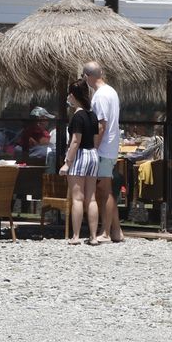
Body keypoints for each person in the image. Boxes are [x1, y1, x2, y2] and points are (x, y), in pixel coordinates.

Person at [85, 61, 125, 243]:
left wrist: (94, 147)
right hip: (110, 146)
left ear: (87, 76)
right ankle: (116, 231)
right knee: (104, 189)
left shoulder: (100, 96)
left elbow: (101, 125)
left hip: (103, 147)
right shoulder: (111, 92)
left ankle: (106, 231)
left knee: (104, 190)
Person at [61, 81, 103, 245]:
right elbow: (95, 138)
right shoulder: (92, 115)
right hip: (93, 154)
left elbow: (75, 141)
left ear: (73, 95)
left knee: (77, 198)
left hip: (80, 155)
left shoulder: (77, 116)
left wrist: (67, 162)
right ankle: (93, 236)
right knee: (91, 198)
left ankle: (76, 236)